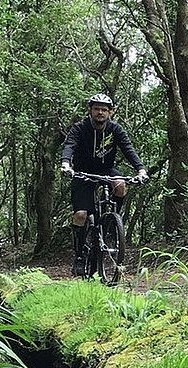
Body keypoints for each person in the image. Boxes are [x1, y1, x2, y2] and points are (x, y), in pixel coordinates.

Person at [60, 93, 147, 276]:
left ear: (110, 112)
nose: (100, 112)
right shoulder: (80, 128)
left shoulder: (115, 129)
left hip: (106, 170)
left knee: (121, 185)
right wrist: (66, 164)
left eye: (104, 110)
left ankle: (111, 223)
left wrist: (140, 170)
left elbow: (128, 149)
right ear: (90, 110)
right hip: (82, 172)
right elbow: (69, 145)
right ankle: (79, 256)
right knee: (81, 214)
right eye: (97, 109)